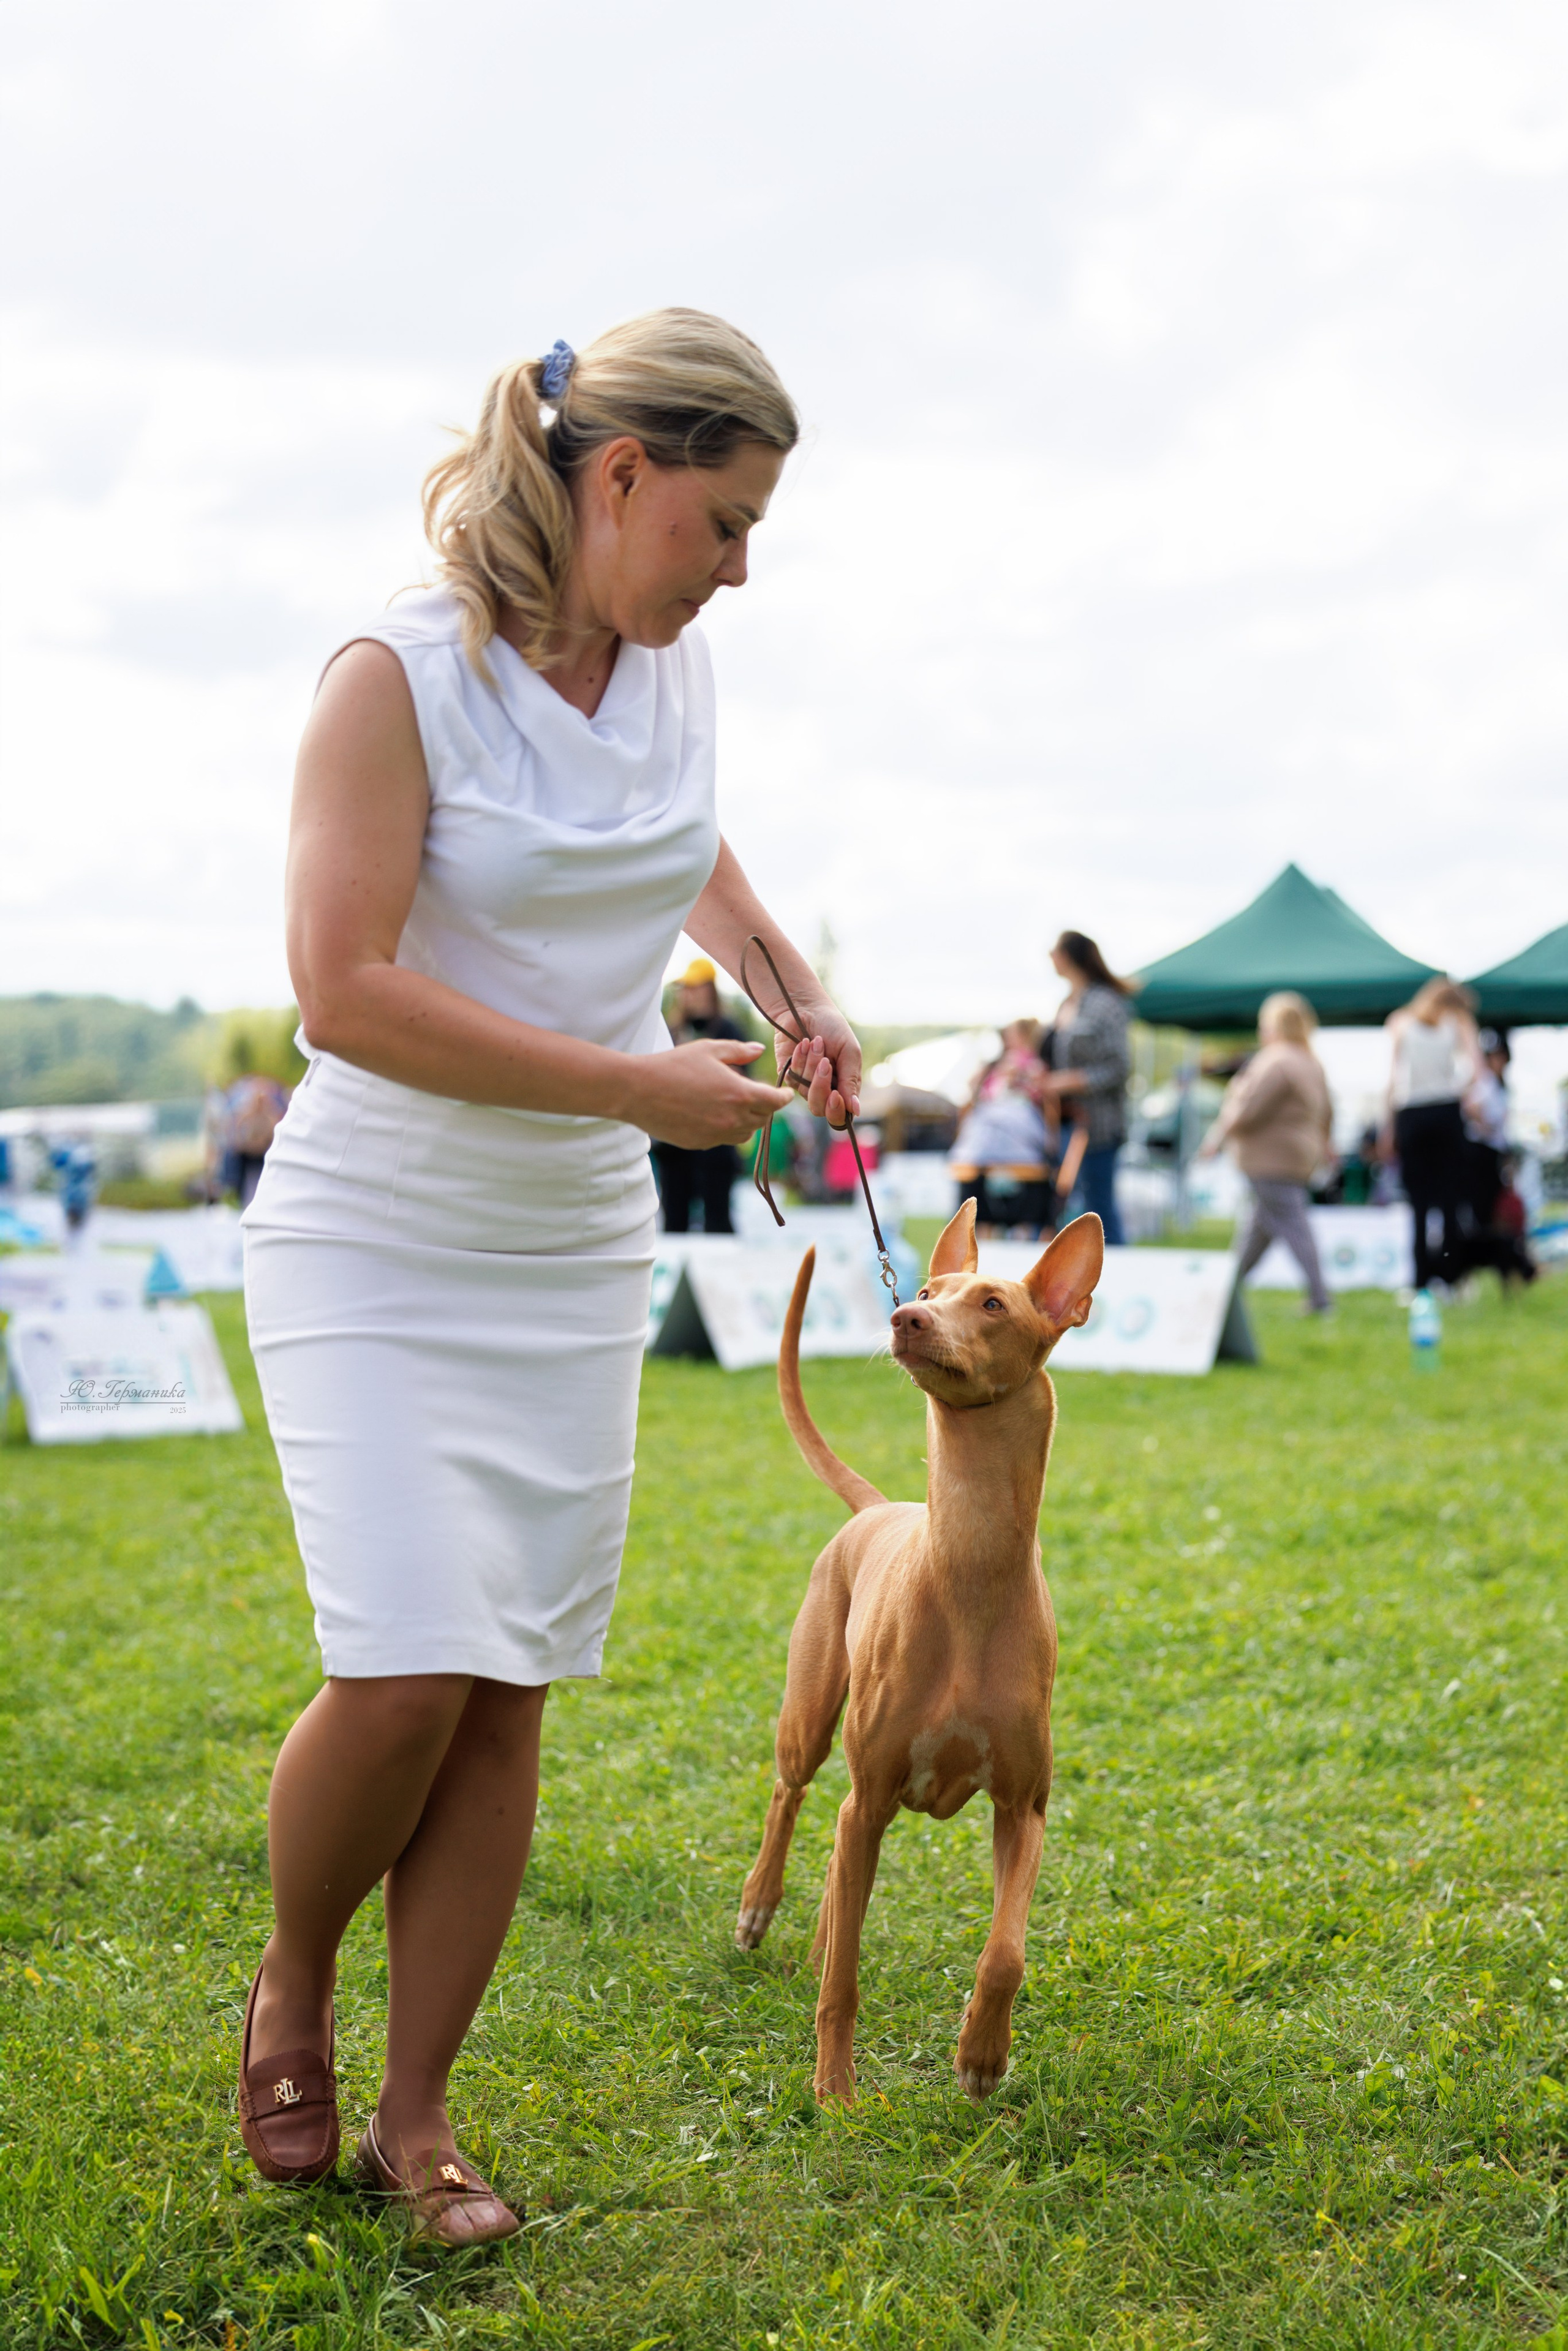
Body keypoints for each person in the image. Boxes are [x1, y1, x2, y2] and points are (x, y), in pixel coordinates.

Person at [239, 311, 862, 2242]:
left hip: (567, 1249)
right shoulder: (392, 676)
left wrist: (785, 982)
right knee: (409, 1665)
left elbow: (670, 841)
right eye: (724, 522)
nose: (741, 566)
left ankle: (422, 2118)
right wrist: (640, 1088)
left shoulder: (667, 667)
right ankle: (291, 1980)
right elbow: (340, 993)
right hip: (382, 1231)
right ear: (617, 480)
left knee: (504, 1690)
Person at [1197, 992, 1335, 1313]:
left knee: (1293, 1225)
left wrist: (1217, 1137)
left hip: (1269, 1158)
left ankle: (1320, 1299)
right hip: (1299, 1156)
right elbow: (1329, 1112)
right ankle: (1226, 1291)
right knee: (1258, 1230)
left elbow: (1248, 1109)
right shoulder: (1310, 1062)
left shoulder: (1274, 1061)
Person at [1382, 978, 1481, 1292]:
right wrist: (1458, 1094)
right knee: (1450, 1200)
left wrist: (1389, 1127)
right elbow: (1475, 1069)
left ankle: (1420, 1281)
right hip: (1446, 1112)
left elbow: (1392, 1079)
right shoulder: (1458, 1022)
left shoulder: (1400, 1022)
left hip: (1412, 1114)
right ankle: (1451, 1279)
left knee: (1419, 1204)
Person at [1039, 932, 1133, 1246]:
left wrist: (1072, 1080)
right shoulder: (1068, 1002)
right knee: (1071, 1212)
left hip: (1097, 1127)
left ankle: (1119, 1276)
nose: (1050, 957)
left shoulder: (1106, 1003)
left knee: (1099, 1211)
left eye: (1054, 950)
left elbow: (1119, 1068)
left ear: (1067, 956)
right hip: (1062, 1125)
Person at [651, 957, 746, 1232]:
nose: (687, 994)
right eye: (685, 988)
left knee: (718, 1219)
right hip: (675, 1145)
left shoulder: (727, 1030)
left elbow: (741, 1081)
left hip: (716, 1143)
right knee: (674, 1220)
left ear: (709, 990)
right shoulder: (673, 1031)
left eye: (694, 988)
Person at [950, 1019, 1055, 1237]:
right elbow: (976, 1089)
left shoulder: (1033, 1065)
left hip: (1015, 1130)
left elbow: (1042, 1095)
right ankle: (979, 1230)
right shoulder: (995, 1065)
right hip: (991, 1135)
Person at [1461, 1030, 1537, 1286]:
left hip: (1492, 1154)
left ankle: (1503, 1268)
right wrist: (1487, 1127)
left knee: (1495, 1215)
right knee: (1484, 1215)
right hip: (1481, 1155)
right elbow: (1471, 1108)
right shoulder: (1484, 1082)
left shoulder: (1497, 1085)